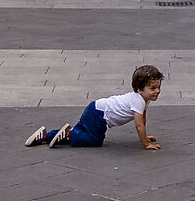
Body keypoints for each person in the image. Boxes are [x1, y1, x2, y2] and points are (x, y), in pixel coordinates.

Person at [26, 64, 163, 150]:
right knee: (94, 140)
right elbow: (139, 125)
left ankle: (45, 135)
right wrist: (146, 144)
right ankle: (68, 134)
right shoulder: (139, 101)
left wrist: (145, 136)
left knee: (84, 133)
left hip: (96, 108)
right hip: (99, 115)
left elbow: (143, 119)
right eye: (152, 88)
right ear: (139, 89)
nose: (157, 91)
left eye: (158, 87)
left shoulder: (143, 98)